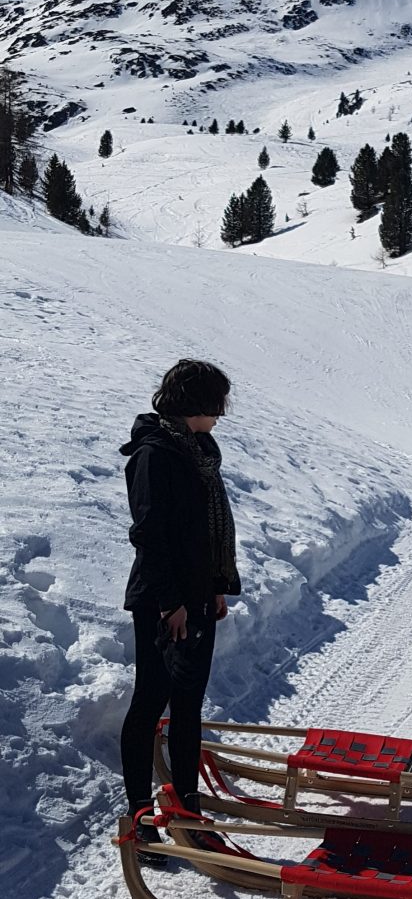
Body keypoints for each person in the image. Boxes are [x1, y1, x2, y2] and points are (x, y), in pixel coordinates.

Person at [118, 359, 240, 859]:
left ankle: (188, 809)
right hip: (161, 600)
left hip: (197, 598)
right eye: (218, 404)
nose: (222, 414)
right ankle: (140, 814)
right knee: (151, 701)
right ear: (198, 402)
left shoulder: (201, 451)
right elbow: (150, 534)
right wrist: (171, 603)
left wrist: (215, 587)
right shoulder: (154, 455)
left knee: (189, 705)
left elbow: (204, 532)